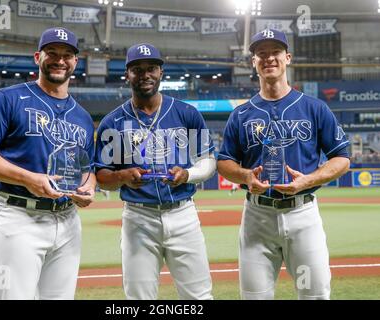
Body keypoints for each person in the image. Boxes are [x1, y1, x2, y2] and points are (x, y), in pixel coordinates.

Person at [217, 29, 350, 300]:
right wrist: (245, 176)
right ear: (254, 63)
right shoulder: (240, 114)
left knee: (314, 294)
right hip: (257, 217)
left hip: (303, 215)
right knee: (255, 297)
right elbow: (224, 162)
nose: (269, 59)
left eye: (275, 52)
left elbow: (342, 158)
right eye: (261, 54)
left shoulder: (314, 108)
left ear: (287, 58)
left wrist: (308, 180)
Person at [0, 27, 96, 300]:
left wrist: (88, 188)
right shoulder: (6, 99)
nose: (60, 60)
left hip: (68, 220)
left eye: (67, 54)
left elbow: (87, 168)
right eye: (52, 53)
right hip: (19, 216)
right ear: (38, 57)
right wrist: (28, 178)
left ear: (75, 63)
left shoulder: (82, 116)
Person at [94, 43, 215, 300]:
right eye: (137, 69)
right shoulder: (113, 122)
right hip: (138, 218)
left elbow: (208, 162)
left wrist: (187, 175)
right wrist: (122, 176)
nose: (145, 75)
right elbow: (102, 177)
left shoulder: (186, 113)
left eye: (151, 68)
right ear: (127, 74)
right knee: (139, 298)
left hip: (183, 214)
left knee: (199, 297)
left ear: (161, 72)